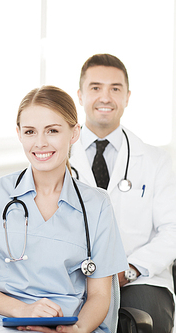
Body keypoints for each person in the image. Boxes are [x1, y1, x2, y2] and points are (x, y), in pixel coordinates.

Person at [0, 85, 128, 333]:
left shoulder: (96, 205)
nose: (40, 143)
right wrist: (22, 311)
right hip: (2, 323)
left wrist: (76, 329)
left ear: (74, 133)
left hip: (70, 325)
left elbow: (99, 295)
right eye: (30, 132)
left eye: (52, 131)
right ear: (19, 134)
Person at [70, 53, 176, 332]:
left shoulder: (156, 161)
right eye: (95, 88)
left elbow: (172, 230)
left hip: (139, 277)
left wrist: (129, 270)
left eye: (115, 89)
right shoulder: (58, 155)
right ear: (80, 95)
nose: (105, 97)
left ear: (127, 97)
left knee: (144, 320)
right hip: (72, 276)